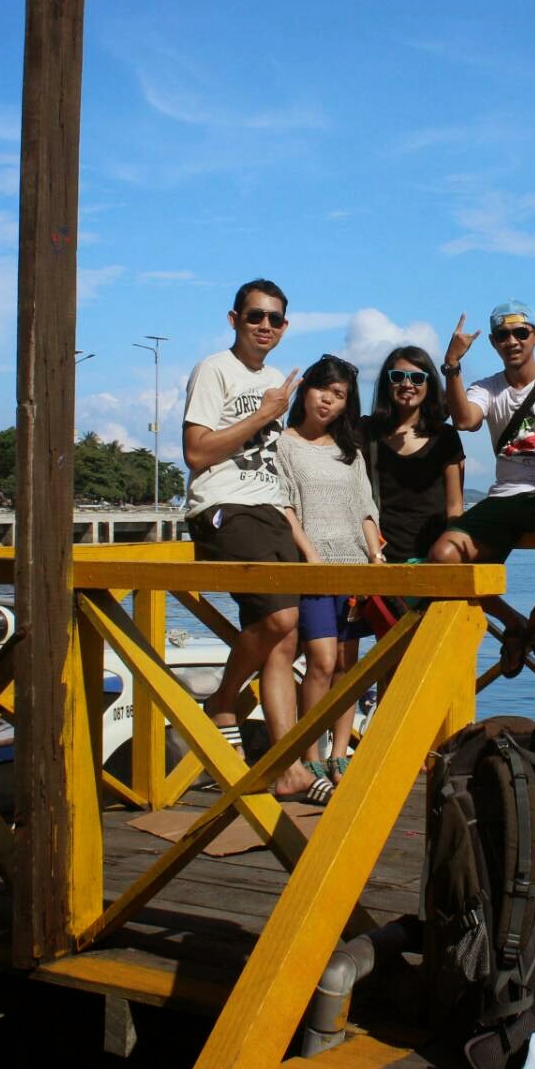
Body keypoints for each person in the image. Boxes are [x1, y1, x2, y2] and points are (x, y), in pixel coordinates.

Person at [181, 278, 317, 802]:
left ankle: (288, 768)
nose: (265, 326)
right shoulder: (214, 370)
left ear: (285, 327)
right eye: (255, 316)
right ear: (234, 319)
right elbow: (196, 453)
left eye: (274, 319)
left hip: (270, 510)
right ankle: (222, 700)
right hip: (223, 507)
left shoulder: (276, 380)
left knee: (286, 638)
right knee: (278, 621)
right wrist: (264, 413)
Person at [428, 300, 535, 670]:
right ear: (493, 343)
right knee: (444, 558)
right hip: (505, 495)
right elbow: (464, 420)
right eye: (503, 335)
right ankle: (516, 623)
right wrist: (452, 365)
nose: (512, 341)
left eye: (521, 333)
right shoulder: (489, 388)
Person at [277, 355, 384, 790]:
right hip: (313, 569)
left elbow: (364, 508)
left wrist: (375, 557)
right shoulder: (282, 444)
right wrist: (310, 556)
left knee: (346, 666)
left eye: (339, 395)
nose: (328, 400)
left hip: (354, 566)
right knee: (320, 662)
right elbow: (284, 505)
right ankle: (311, 757)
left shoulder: (349, 451)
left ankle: (340, 754)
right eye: (323, 389)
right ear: (305, 390)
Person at [367, 346, 464, 563]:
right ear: (386, 383)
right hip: (377, 557)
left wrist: (451, 555)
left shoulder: (445, 436)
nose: (407, 384)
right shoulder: (366, 431)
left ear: (429, 384)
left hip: (432, 558)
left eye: (418, 378)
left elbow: (455, 506)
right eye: (398, 376)